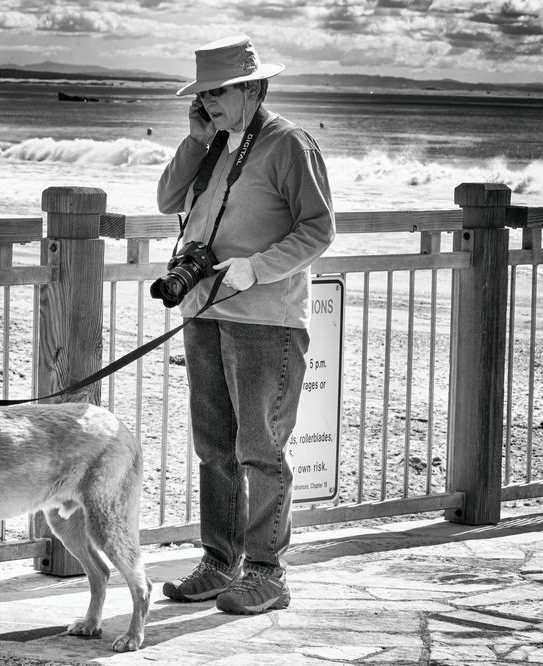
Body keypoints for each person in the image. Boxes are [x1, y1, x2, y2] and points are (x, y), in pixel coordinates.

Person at [156, 35, 335, 614]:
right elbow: (166, 200)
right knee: (214, 447)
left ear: (253, 88)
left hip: (264, 318)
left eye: (217, 91)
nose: (207, 100)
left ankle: (267, 573)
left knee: (260, 448)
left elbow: (318, 230)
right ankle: (218, 561)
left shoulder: (290, 144)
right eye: (202, 93)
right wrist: (195, 139)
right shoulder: (215, 143)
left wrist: (255, 268)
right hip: (203, 311)